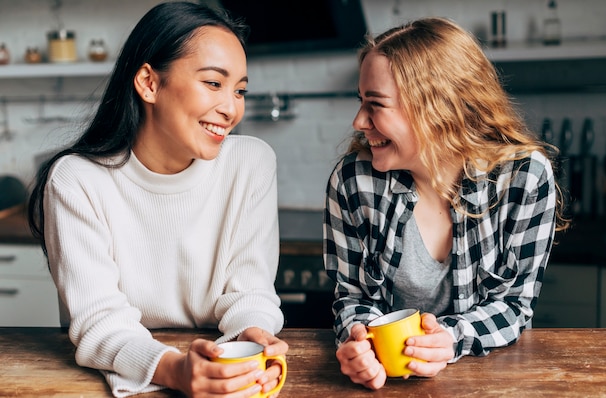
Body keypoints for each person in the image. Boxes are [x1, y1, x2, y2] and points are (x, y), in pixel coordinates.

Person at [28, 2, 287, 397]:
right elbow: (100, 322)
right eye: (214, 84)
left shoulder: (251, 163)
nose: (232, 108)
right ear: (149, 82)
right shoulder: (76, 180)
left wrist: (254, 337)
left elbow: (250, 291)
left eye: (240, 91)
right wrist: (177, 371)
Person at [323, 17, 569, 390]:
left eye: (375, 104)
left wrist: (449, 340)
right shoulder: (354, 180)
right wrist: (359, 342)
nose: (359, 121)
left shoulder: (523, 177)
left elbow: (514, 306)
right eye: (361, 101)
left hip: (492, 379)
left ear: (437, 106)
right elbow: (352, 297)